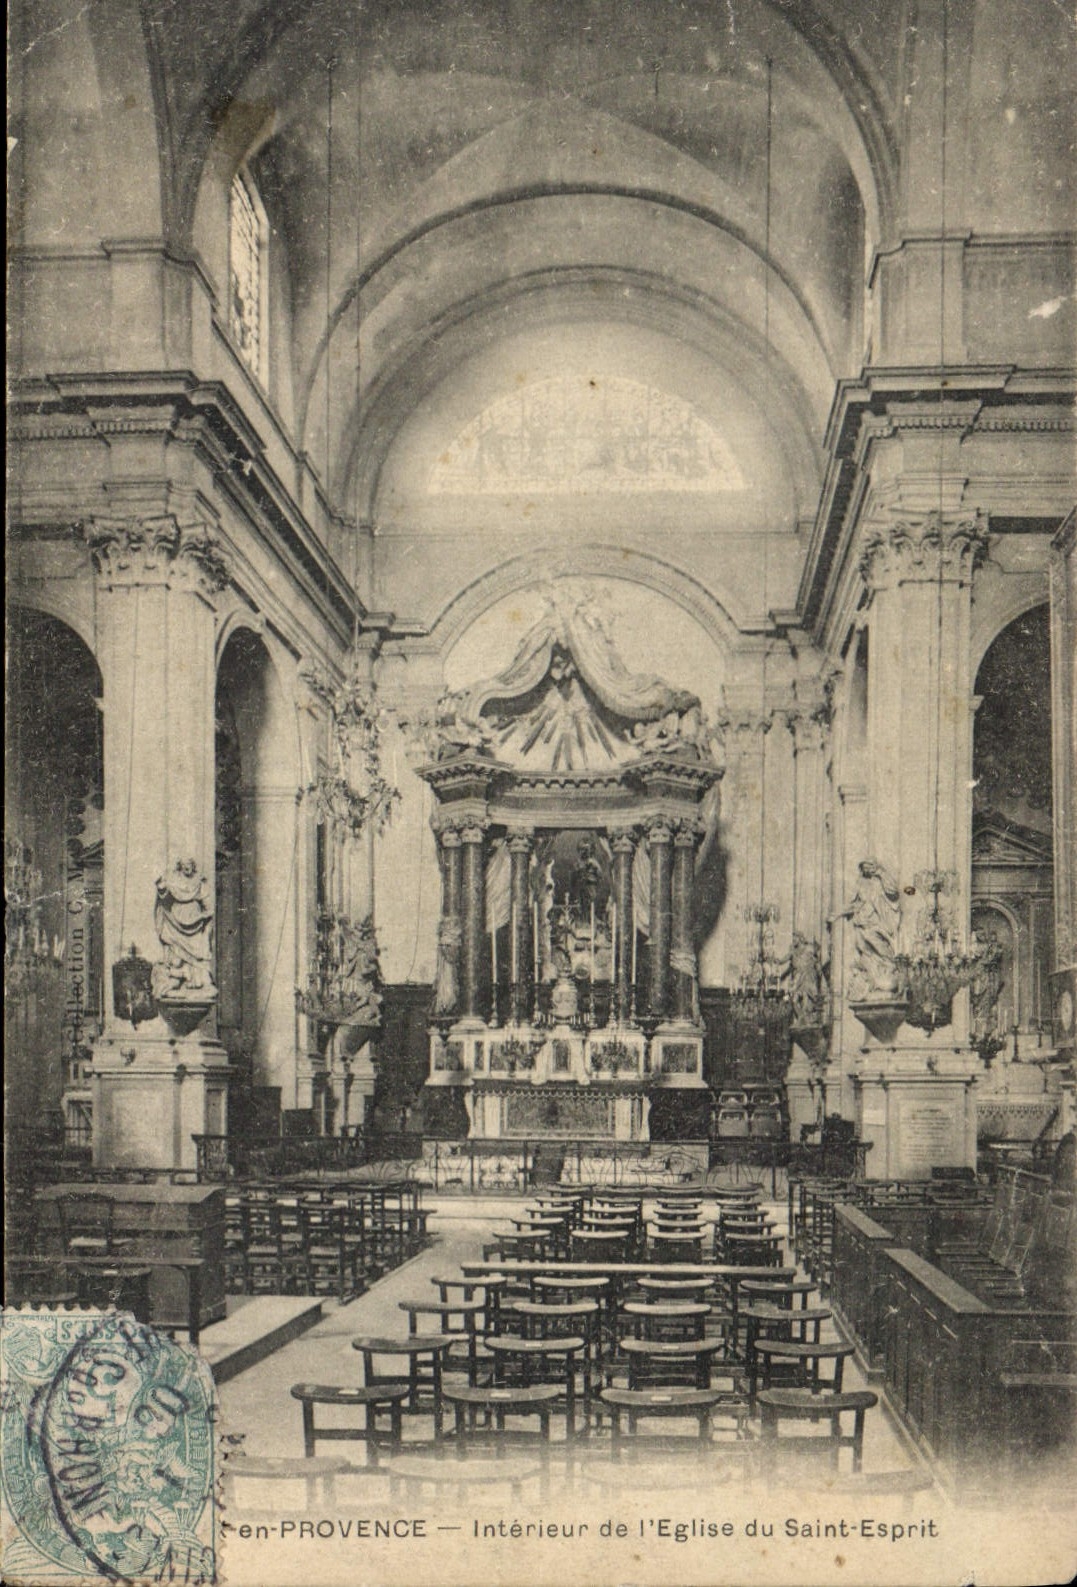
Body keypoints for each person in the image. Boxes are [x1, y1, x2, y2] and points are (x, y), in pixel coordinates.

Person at [832, 858, 901, 999]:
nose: (866, 870)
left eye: (868, 867)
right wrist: (839, 914)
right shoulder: (861, 883)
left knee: (878, 945)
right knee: (863, 949)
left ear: (874, 866)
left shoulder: (880, 880)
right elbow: (856, 904)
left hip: (876, 923)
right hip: (861, 923)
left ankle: (890, 965)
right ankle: (873, 977)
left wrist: (881, 873)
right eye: (863, 867)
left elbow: (893, 891)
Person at [151, 858, 214, 997]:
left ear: (193, 866)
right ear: (180, 866)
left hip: (196, 921)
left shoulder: (199, 882)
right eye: (184, 865)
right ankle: (180, 977)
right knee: (176, 950)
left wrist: (207, 913)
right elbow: (165, 897)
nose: (187, 868)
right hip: (176, 920)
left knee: (197, 950)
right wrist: (161, 886)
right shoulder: (174, 880)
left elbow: (207, 900)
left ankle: (196, 981)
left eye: (190, 865)